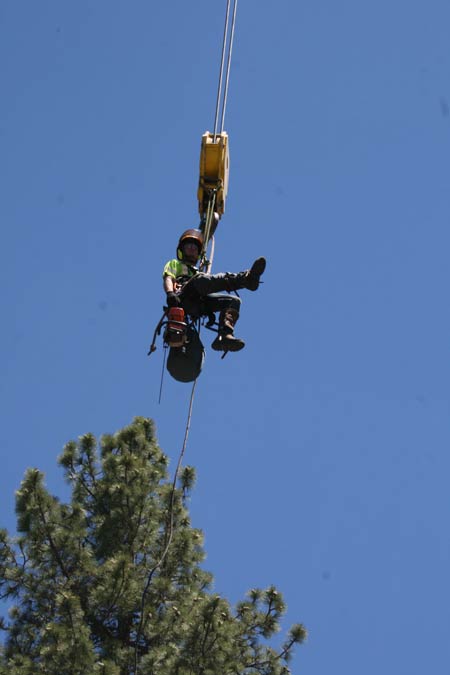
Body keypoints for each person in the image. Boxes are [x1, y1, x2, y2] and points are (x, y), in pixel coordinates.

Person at [163, 228, 266, 352]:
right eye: (189, 245)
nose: (192, 248)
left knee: (233, 301)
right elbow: (168, 277)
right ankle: (245, 279)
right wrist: (170, 293)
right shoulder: (175, 264)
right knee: (201, 280)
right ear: (182, 249)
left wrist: (209, 311)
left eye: (195, 247)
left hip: (198, 303)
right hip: (184, 296)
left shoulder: (197, 271)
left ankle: (224, 336)